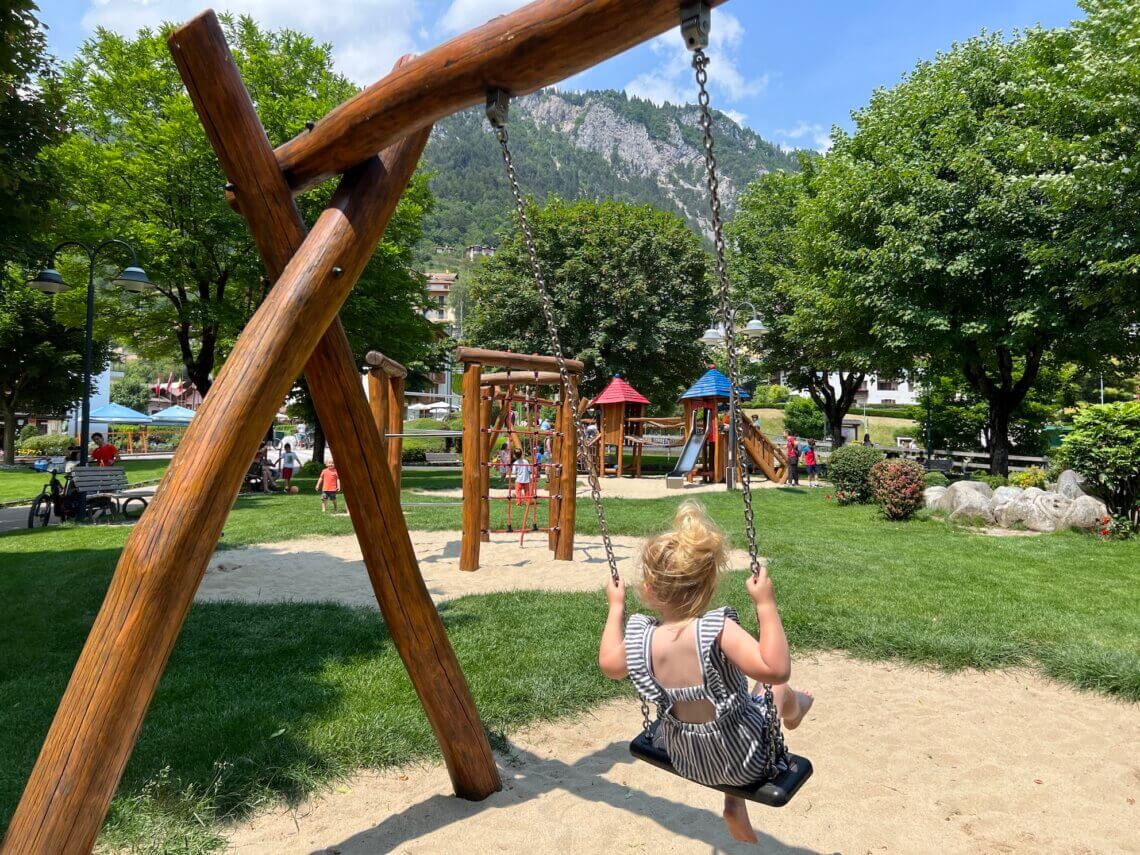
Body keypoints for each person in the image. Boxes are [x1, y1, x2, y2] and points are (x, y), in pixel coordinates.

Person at [597, 502, 814, 844]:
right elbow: (775, 668)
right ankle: (797, 709)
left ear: (649, 589)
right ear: (709, 585)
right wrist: (766, 605)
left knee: (732, 716)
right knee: (775, 689)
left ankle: (734, 802)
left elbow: (609, 665)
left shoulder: (644, 638)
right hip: (745, 762)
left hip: (686, 758)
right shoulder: (718, 631)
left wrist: (616, 608)